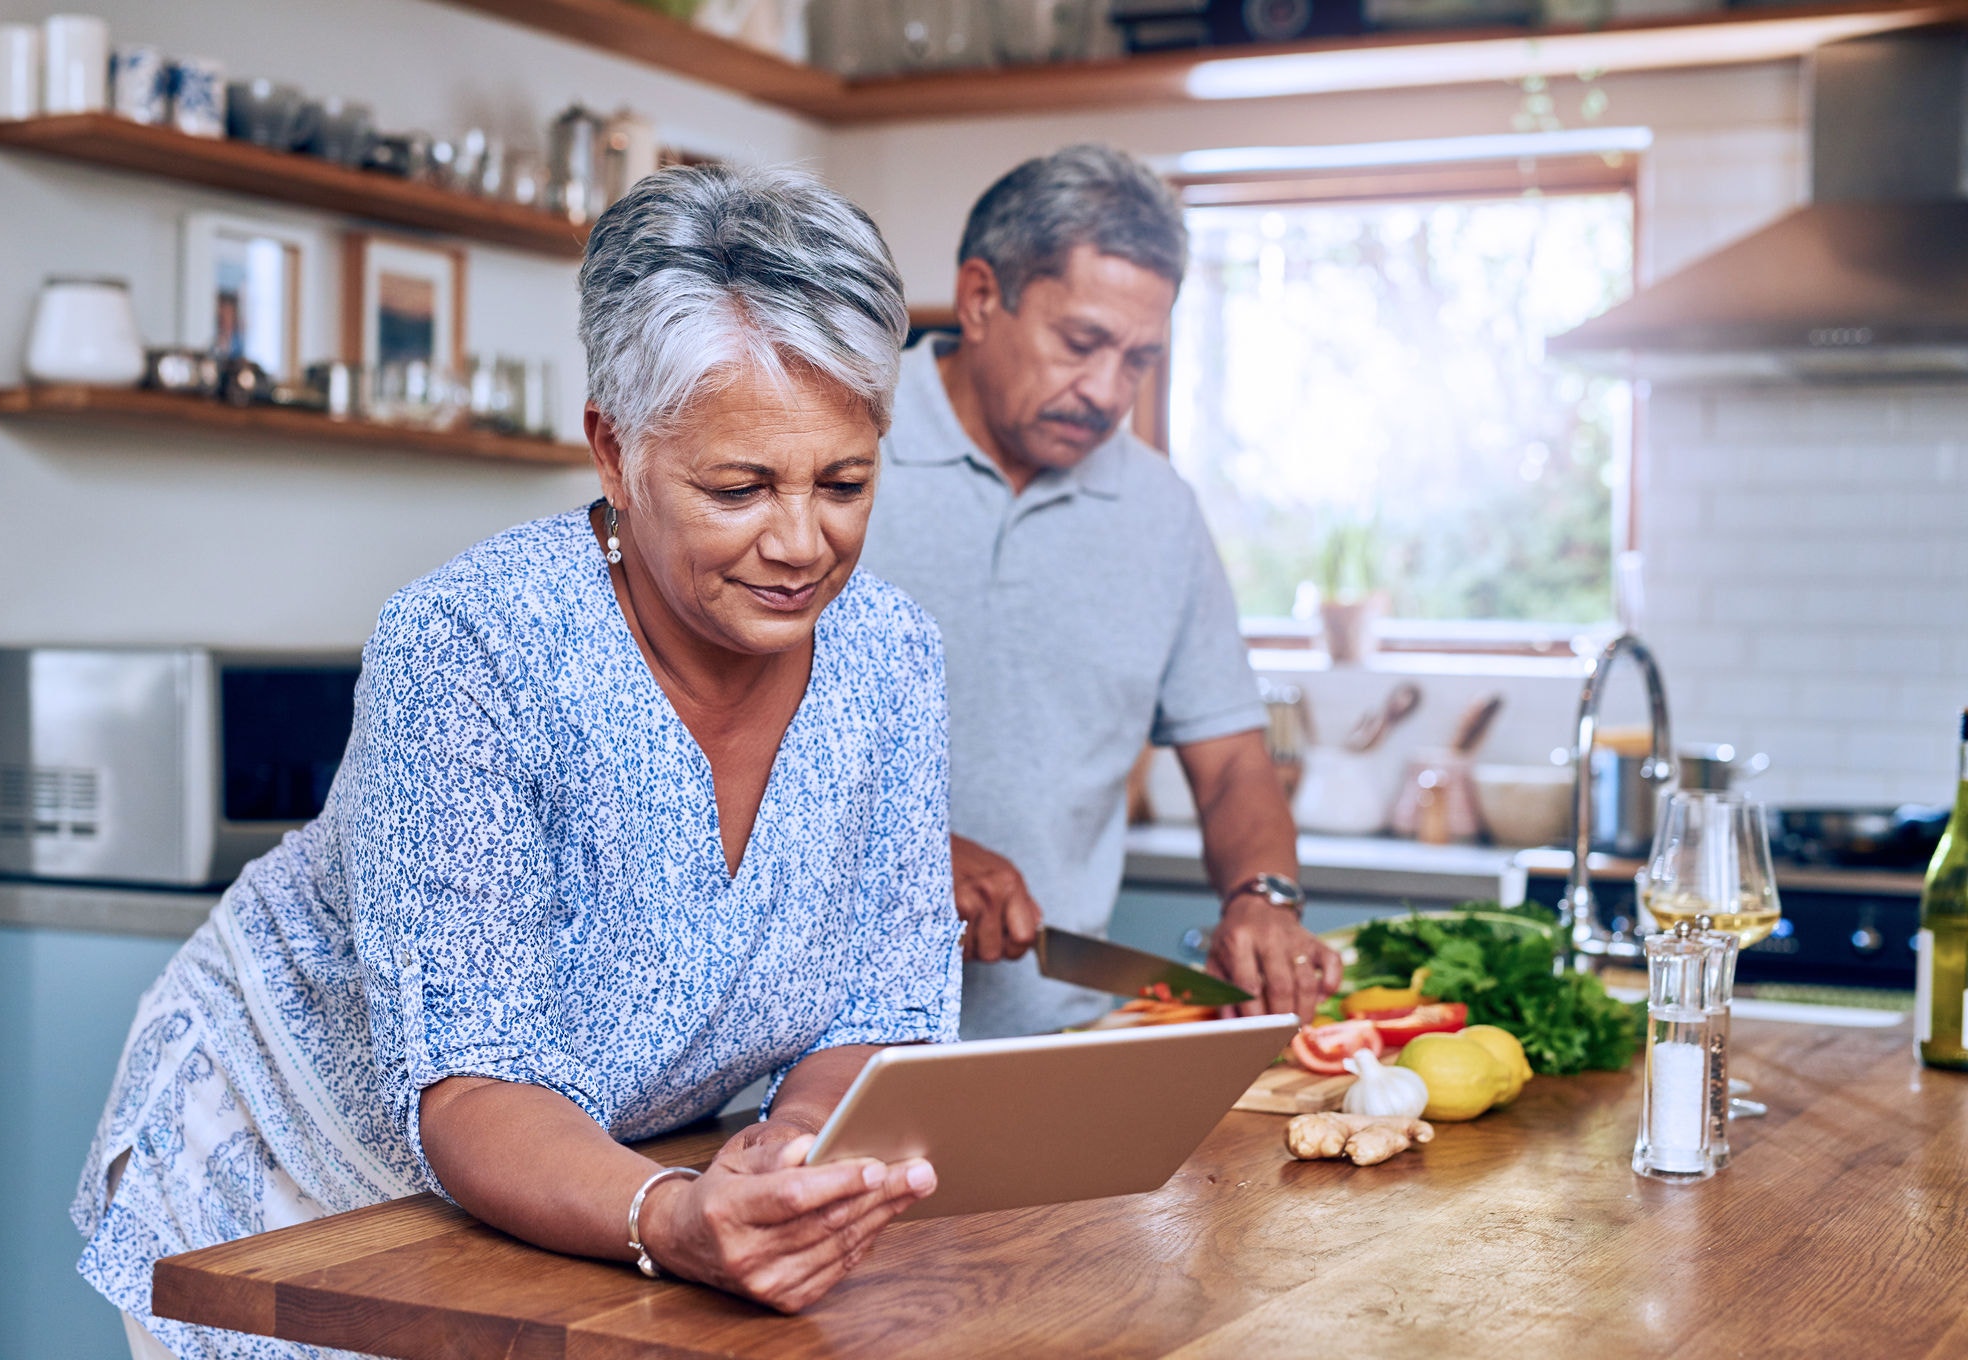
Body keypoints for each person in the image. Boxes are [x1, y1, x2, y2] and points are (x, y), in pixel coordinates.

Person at [73, 164, 960, 1360]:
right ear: (613, 449)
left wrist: (788, 1145)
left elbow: (887, 1003)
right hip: (311, 1157)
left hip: (611, 1181)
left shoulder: (891, 655)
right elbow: (473, 1083)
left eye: (844, 482)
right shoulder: (471, 646)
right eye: (738, 487)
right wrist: (668, 1215)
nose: (800, 542)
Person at [861, 144, 1342, 1040]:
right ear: (979, 297)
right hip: (804, 1055)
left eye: (1139, 361)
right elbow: (711, 735)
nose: (1107, 391)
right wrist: (899, 859)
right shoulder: (841, 453)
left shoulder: (1160, 512)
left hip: (1058, 1041)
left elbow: (1234, 760)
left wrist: (1263, 894)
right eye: (1081, 344)